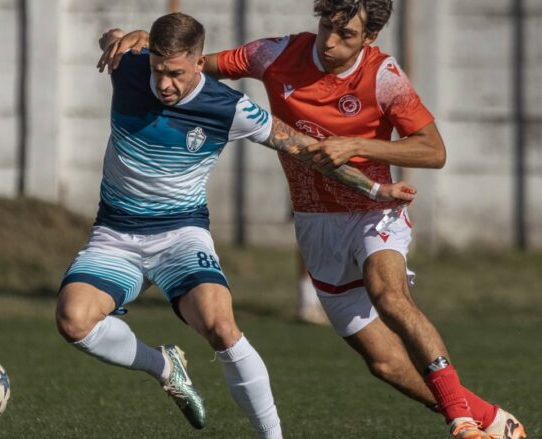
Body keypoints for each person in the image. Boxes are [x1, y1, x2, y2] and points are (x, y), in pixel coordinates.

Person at [98, 2, 526, 439]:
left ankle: (462, 423)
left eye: (347, 35)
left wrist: (359, 145)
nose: (331, 41)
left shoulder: (384, 77)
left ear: (370, 38)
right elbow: (191, 66)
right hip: (315, 222)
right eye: (326, 28)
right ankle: (489, 418)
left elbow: (433, 151)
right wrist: (143, 41)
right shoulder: (275, 54)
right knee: (383, 363)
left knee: (389, 295)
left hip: (373, 209)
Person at [58, 13, 414, 438]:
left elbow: (308, 150)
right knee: (73, 321)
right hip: (115, 233)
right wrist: (118, 39)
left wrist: (375, 191)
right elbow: (112, 37)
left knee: (221, 327)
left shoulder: (229, 107)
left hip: (180, 236)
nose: (165, 83)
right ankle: (164, 366)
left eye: (175, 73)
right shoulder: (130, 68)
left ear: (197, 61)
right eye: (158, 70)